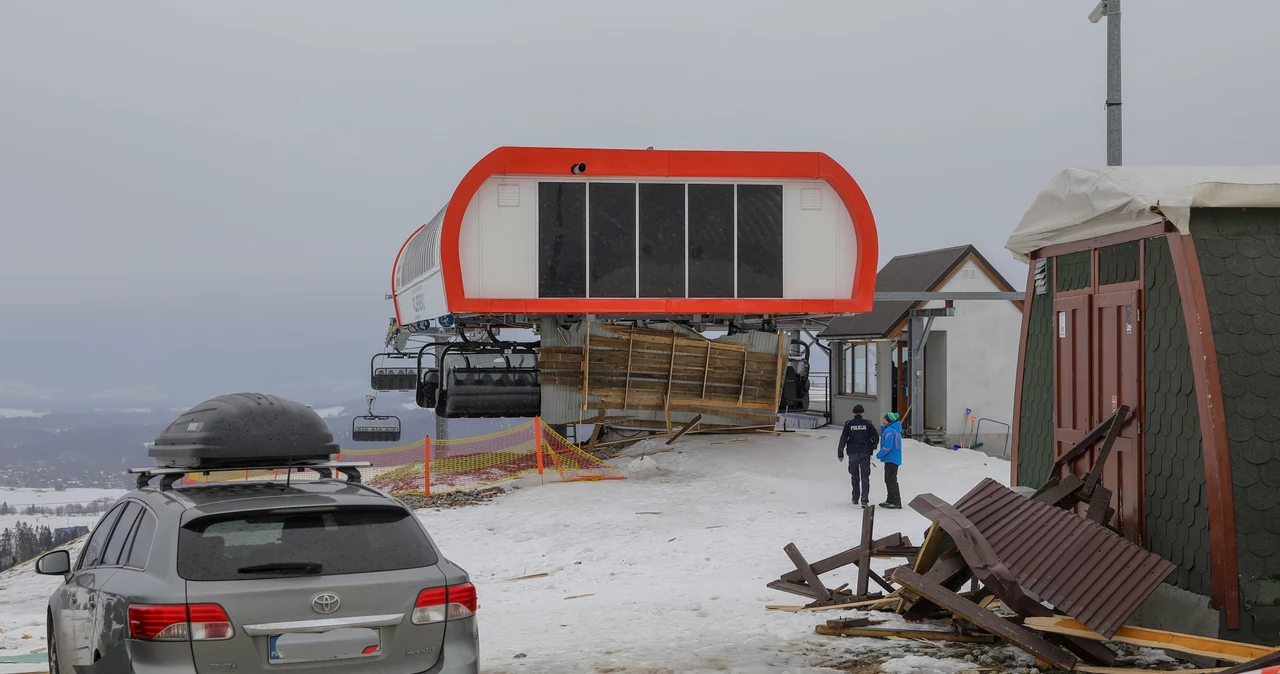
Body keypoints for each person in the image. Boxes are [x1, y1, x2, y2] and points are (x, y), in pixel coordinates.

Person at [836, 404, 879, 507]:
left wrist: (840, 452)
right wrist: (873, 446)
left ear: (853, 413)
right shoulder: (868, 424)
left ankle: (855, 497)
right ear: (863, 413)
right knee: (865, 476)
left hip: (853, 452)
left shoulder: (849, 424)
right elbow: (875, 437)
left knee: (854, 475)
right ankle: (864, 499)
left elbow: (843, 439)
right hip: (865, 452)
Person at [876, 412, 903, 509]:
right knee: (888, 479)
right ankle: (890, 499)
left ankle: (896, 501)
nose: (882, 418)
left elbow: (888, 447)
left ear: (888, 420)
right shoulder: (891, 430)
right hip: (891, 459)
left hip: (891, 459)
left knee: (891, 480)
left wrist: (879, 455)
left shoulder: (889, 431)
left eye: (884, 417)